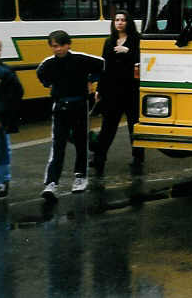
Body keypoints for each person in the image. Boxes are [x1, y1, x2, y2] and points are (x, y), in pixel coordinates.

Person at [36, 30, 104, 199]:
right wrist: (50, 85)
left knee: (81, 142)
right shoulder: (48, 63)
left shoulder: (80, 59)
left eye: (59, 46)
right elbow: (41, 75)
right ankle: (51, 183)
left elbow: (102, 64)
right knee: (58, 145)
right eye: (53, 47)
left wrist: (91, 80)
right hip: (60, 107)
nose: (57, 49)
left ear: (68, 45)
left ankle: (80, 177)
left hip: (79, 105)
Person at [93, 10, 143, 176]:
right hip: (112, 90)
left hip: (131, 89)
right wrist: (99, 89)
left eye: (123, 20)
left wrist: (127, 51)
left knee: (133, 124)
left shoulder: (136, 40)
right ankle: (99, 158)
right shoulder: (109, 42)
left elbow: (143, 59)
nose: (120, 22)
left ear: (128, 22)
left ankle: (138, 157)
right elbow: (103, 67)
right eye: (117, 20)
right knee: (108, 125)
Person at [0, 38, 23, 199]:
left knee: (3, 150)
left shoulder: (4, 71)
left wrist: (1, 85)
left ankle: (3, 182)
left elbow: (17, 91)